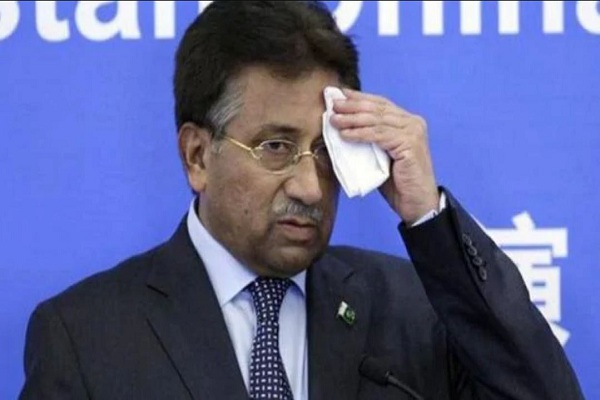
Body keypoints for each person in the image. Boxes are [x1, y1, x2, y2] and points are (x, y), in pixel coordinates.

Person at [19, 1, 584, 399]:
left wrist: (427, 216)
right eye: (276, 147)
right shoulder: (85, 336)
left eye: (325, 151)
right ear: (197, 156)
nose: (311, 187)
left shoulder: (414, 310)